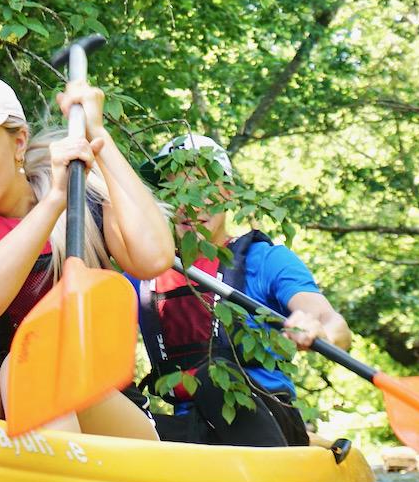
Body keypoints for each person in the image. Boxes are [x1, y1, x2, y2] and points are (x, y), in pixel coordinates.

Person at [0, 70, 174, 438]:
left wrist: (99, 138)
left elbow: (154, 257)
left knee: (30, 370)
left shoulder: (85, 201)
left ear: (18, 142)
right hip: (8, 420)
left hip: (110, 422)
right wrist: (52, 203)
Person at [132, 134, 352, 447]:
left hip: (268, 417)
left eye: (202, 187)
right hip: (192, 431)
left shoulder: (266, 260)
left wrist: (319, 329)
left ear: (229, 193)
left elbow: (335, 326)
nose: (189, 204)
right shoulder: (144, 272)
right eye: (175, 189)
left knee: (214, 379)